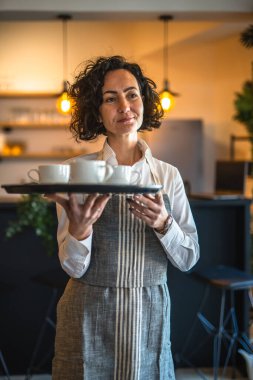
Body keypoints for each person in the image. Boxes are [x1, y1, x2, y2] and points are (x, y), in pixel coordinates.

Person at [47, 55, 199, 380]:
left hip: (149, 317)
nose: (124, 106)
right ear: (96, 111)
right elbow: (73, 268)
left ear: (143, 100)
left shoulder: (168, 176)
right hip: (88, 314)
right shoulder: (75, 172)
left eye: (132, 94)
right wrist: (80, 230)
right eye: (110, 98)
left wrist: (164, 224)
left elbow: (188, 258)